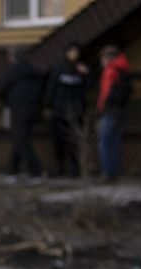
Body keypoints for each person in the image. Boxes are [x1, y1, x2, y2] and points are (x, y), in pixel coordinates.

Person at [0, 47, 45, 182]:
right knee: (20, 139)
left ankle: (36, 173)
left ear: (12, 58)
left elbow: (0, 88)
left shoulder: (13, 70)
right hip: (34, 110)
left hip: (19, 109)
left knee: (22, 141)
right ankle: (12, 171)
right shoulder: (33, 70)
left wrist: (6, 100)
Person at [46, 42, 91, 178]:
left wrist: (87, 74)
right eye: (72, 52)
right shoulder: (58, 68)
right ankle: (60, 168)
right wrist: (48, 106)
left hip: (77, 111)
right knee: (59, 141)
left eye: (76, 52)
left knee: (75, 142)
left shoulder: (81, 69)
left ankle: (75, 169)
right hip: (59, 110)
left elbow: (90, 86)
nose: (74, 55)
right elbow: (51, 88)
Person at [96, 44, 132, 183]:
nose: (101, 61)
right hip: (119, 110)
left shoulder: (111, 71)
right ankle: (114, 172)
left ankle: (107, 173)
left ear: (108, 58)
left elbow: (106, 92)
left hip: (110, 110)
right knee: (115, 141)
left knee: (104, 142)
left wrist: (103, 106)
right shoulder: (123, 69)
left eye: (102, 58)